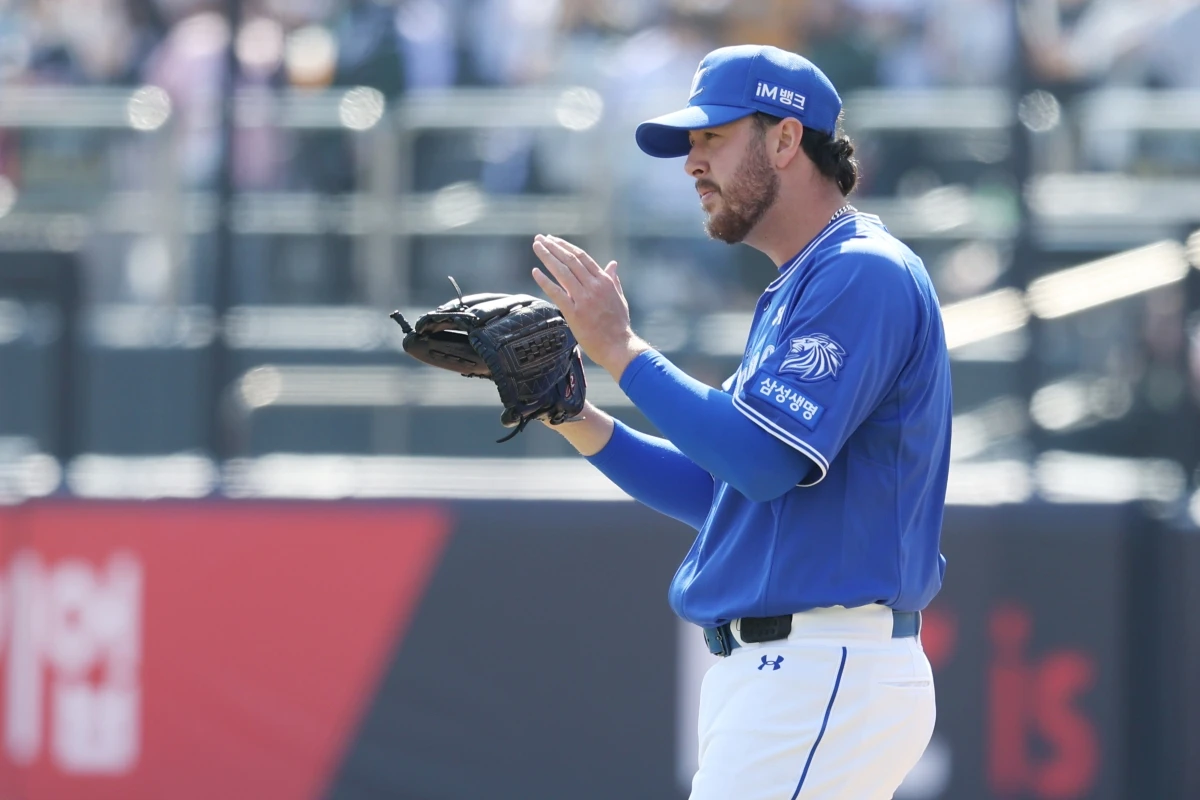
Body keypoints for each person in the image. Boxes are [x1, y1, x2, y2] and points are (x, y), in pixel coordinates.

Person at [530, 44, 952, 799]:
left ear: (786, 139)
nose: (692, 163)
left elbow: (760, 463)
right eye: (691, 143)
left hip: (821, 663)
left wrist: (621, 348)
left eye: (713, 137)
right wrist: (571, 414)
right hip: (800, 671)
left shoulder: (862, 270)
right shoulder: (807, 281)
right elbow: (724, 490)